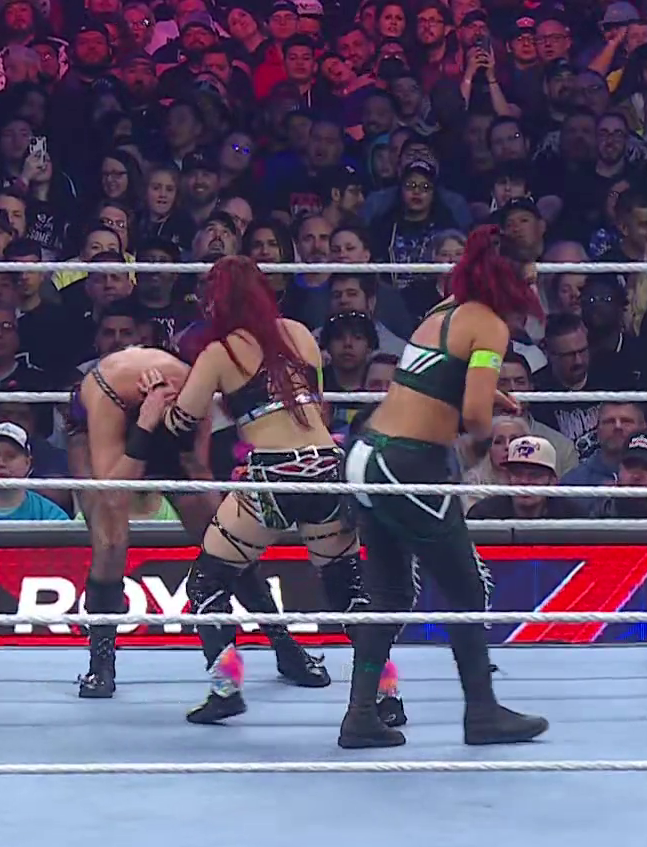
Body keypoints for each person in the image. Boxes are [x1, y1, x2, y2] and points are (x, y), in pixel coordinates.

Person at [136, 255, 404, 726]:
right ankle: (386, 694)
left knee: (206, 582)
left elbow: (181, 425)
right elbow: (314, 406)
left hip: (274, 476)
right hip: (327, 468)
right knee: (348, 591)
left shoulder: (221, 352)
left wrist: (156, 399)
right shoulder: (299, 333)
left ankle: (226, 688)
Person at [338, 225, 549, 750]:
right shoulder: (490, 325)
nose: (534, 289)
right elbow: (474, 417)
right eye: (529, 279)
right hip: (407, 463)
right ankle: (482, 712)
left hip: (366, 454)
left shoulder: (445, 311)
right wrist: (482, 428)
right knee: (465, 588)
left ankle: (360, 716)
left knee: (389, 592)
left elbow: (432, 377)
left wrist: (486, 389)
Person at [70, 347, 329, 700]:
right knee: (110, 541)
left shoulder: (200, 392)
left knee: (224, 540)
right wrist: (145, 423)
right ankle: (100, 666)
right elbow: (113, 493)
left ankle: (286, 647)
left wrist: (171, 433)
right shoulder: (108, 391)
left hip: (165, 417)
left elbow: (198, 471)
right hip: (101, 427)